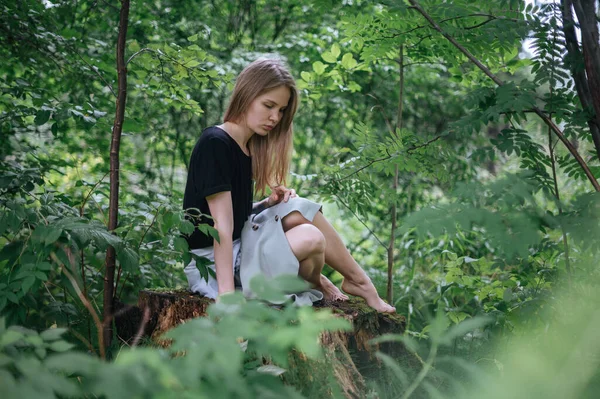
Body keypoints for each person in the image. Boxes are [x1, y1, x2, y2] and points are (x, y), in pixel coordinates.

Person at [183, 58, 395, 313]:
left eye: (281, 110)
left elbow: (231, 213)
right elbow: (221, 226)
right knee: (311, 238)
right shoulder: (215, 143)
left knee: (297, 206)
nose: (275, 117)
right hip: (214, 265)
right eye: (269, 105)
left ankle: (359, 282)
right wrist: (226, 294)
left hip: (242, 246)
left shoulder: (246, 147)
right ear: (246, 95)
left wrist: (266, 204)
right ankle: (324, 282)